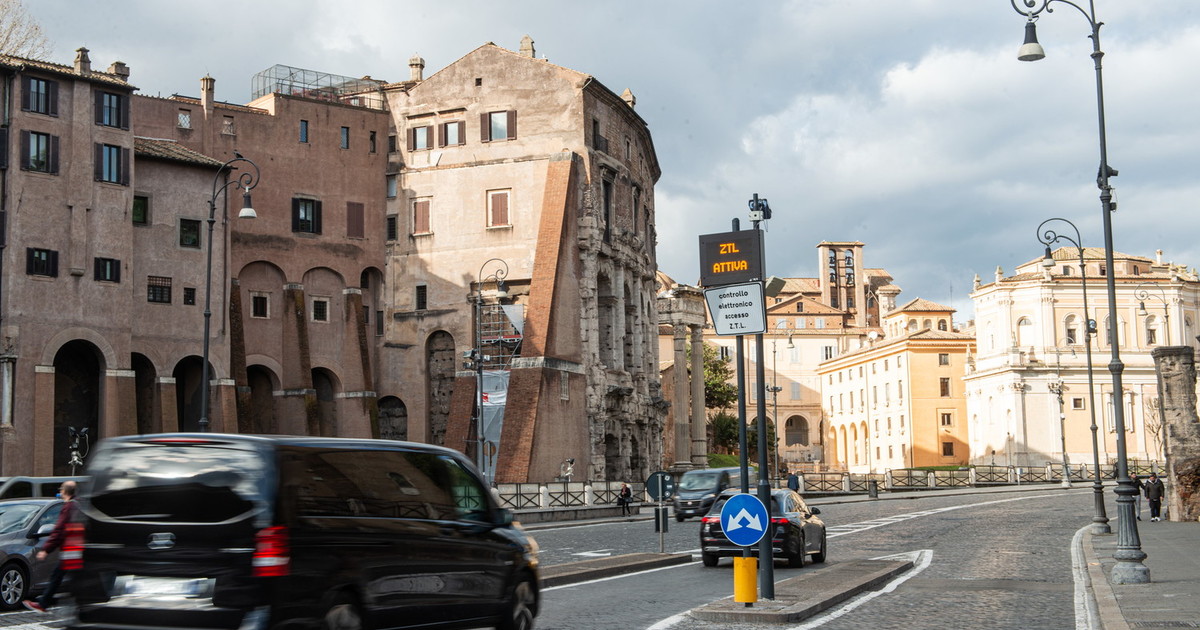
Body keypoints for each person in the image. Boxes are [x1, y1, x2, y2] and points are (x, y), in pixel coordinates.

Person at [24, 480, 77, 613]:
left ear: (64, 491)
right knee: (69, 575)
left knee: (58, 575)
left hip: (71, 548)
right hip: (79, 546)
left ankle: (44, 604)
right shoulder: (79, 504)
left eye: (61, 489)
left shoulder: (68, 507)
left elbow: (59, 529)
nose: (60, 492)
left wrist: (46, 549)